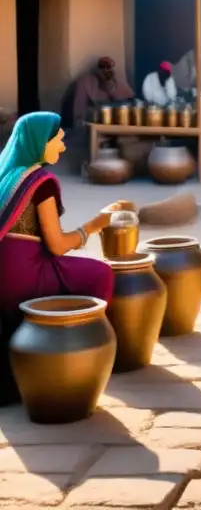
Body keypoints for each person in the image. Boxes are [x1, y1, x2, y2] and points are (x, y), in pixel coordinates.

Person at [0, 112, 117, 401]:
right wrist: (92, 227)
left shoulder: (6, 174)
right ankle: (87, 353)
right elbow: (56, 245)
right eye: (58, 140)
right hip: (22, 276)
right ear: (41, 143)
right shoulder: (40, 182)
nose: (63, 147)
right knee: (100, 273)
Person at [67, 57, 135, 127]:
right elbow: (79, 114)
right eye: (102, 67)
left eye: (108, 67)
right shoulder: (86, 83)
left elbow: (129, 104)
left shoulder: (120, 83)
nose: (105, 70)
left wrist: (110, 86)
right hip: (94, 126)